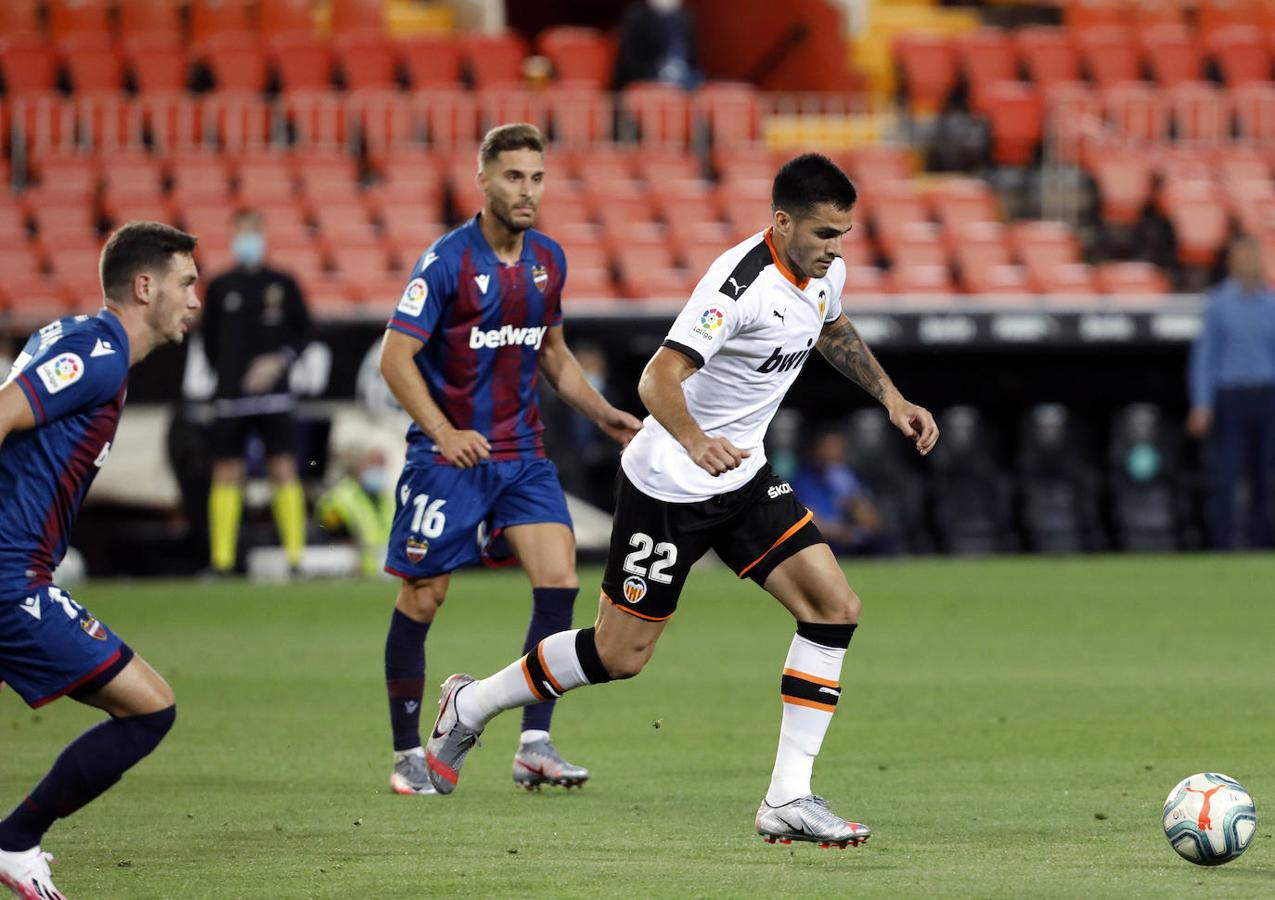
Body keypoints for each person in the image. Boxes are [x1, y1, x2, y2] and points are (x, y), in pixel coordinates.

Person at [422, 154, 939, 848]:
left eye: (843, 233)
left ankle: (787, 797)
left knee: (834, 607)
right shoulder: (736, 284)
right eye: (822, 234)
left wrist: (892, 398)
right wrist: (695, 441)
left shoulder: (823, 273)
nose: (835, 248)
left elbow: (830, 328)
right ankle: (472, 701)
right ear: (781, 222)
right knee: (618, 656)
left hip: (744, 477)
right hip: (670, 482)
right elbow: (655, 377)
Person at [378, 123, 642, 797]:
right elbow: (394, 358)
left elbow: (552, 353)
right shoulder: (445, 262)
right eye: (514, 176)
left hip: (521, 453)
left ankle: (534, 743)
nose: (527, 190)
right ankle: (410, 750)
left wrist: (604, 412)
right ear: (484, 180)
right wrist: (440, 431)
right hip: (448, 460)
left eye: (537, 177)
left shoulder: (547, 260)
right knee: (423, 595)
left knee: (558, 579)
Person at [0, 222, 201, 898]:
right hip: (8, 578)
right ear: (145, 287)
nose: (195, 299)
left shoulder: (68, 335)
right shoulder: (100, 356)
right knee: (149, 710)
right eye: (186, 283)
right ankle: (15, 842)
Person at [201, 209, 312, 575]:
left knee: (282, 467)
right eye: (241, 233)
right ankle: (222, 562)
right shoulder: (219, 287)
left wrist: (277, 362)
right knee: (227, 471)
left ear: (263, 236)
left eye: (253, 233)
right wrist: (229, 375)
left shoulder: (283, 283)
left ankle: (295, 558)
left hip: (275, 396)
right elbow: (209, 340)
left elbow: (303, 332)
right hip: (231, 396)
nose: (247, 240)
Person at [1187, 235, 1275, 549]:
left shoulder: (1270, 304)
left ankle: (1261, 543)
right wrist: (1202, 404)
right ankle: (1222, 544)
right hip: (1231, 397)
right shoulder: (1218, 304)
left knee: (1264, 478)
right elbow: (1205, 359)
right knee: (1226, 475)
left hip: (1266, 396)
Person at [791, 429, 894, 556]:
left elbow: (871, 522)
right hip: (825, 539)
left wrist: (853, 500)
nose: (834, 453)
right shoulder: (802, 481)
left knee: (883, 541)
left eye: (838, 447)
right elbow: (810, 524)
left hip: (848, 536)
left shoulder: (846, 477)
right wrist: (843, 533)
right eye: (829, 447)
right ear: (816, 450)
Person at [612, 0, 703, 90]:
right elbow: (630, 64)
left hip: (683, 79)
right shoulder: (636, 15)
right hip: (646, 79)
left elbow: (692, 59)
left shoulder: (684, 17)